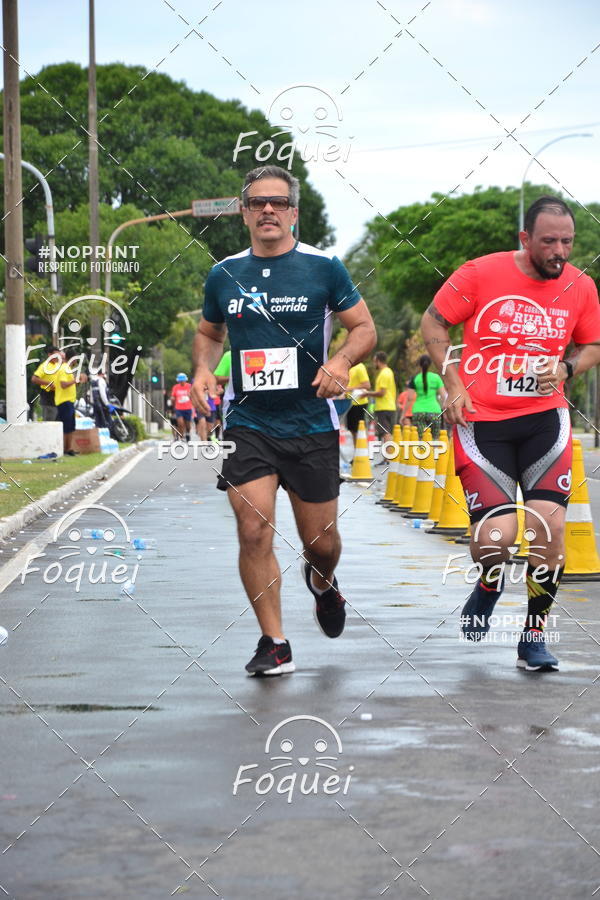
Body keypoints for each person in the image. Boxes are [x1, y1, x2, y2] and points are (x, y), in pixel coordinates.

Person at [191, 164, 376, 676]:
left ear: (294, 213)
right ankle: (274, 641)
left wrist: (341, 361)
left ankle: (322, 582)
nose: (268, 210)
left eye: (278, 202)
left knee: (322, 544)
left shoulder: (324, 267)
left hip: (311, 421)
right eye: (257, 202)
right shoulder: (224, 273)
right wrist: (203, 370)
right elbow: (209, 333)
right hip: (248, 422)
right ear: (244, 213)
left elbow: (363, 328)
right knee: (253, 529)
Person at [421, 195, 600, 672]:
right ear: (525, 239)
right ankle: (489, 581)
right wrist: (453, 381)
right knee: (497, 538)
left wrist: (566, 368)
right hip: (482, 423)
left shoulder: (581, 285)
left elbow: (592, 345)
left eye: (567, 242)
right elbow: (433, 321)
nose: (559, 252)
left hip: (545, 420)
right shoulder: (480, 273)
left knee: (549, 528)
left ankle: (534, 634)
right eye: (549, 242)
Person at [33, 349, 88, 455]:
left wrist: (78, 380)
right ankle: (56, 449)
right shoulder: (63, 368)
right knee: (58, 426)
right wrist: (76, 380)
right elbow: (63, 384)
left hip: (65, 400)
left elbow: (67, 383)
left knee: (68, 426)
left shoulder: (64, 368)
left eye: (61, 357)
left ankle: (67, 449)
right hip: (60, 400)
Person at [361, 351, 396, 448]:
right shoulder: (387, 372)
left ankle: (389, 455)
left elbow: (381, 393)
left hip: (384, 407)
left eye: (374, 361)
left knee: (385, 433)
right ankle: (387, 455)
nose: (373, 364)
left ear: (378, 361)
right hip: (386, 407)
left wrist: (367, 393)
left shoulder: (384, 373)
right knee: (385, 432)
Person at [408, 354, 444, 438]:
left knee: (421, 439)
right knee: (435, 439)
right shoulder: (436, 377)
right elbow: (443, 396)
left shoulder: (415, 378)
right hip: (435, 412)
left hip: (419, 412)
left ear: (419, 364)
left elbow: (410, 398)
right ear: (430, 364)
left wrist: (403, 415)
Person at [31, 347, 60, 421]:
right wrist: (49, 383)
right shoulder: (44, 366)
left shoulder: (57, 365)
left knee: (58, 422)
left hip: (57, 397)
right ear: (49, 355)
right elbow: (34, 379)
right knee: (49, 421)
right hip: (48, 397)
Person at [345, 362, 371, 442]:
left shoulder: (360, 367)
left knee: (359, 430)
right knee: (352, 429)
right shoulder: (349, 368)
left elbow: (367, 385)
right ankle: (357, 448)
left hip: (359, 403)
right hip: (350, 403)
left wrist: (349, 388)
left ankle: (362, 448)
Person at [170, 373, 194, 442]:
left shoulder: (190, 386)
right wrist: (172, 399)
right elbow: (173, 396)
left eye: (183, 380)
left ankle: (188, 433)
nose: (181, 382)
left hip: (188, 408)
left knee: (188, 425)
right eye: (180, 381)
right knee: (180, 423)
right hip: (179, 408)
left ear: (185, 380)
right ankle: (182, 437)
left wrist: (191, 396)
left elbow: (193, 396)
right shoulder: (175, 387)